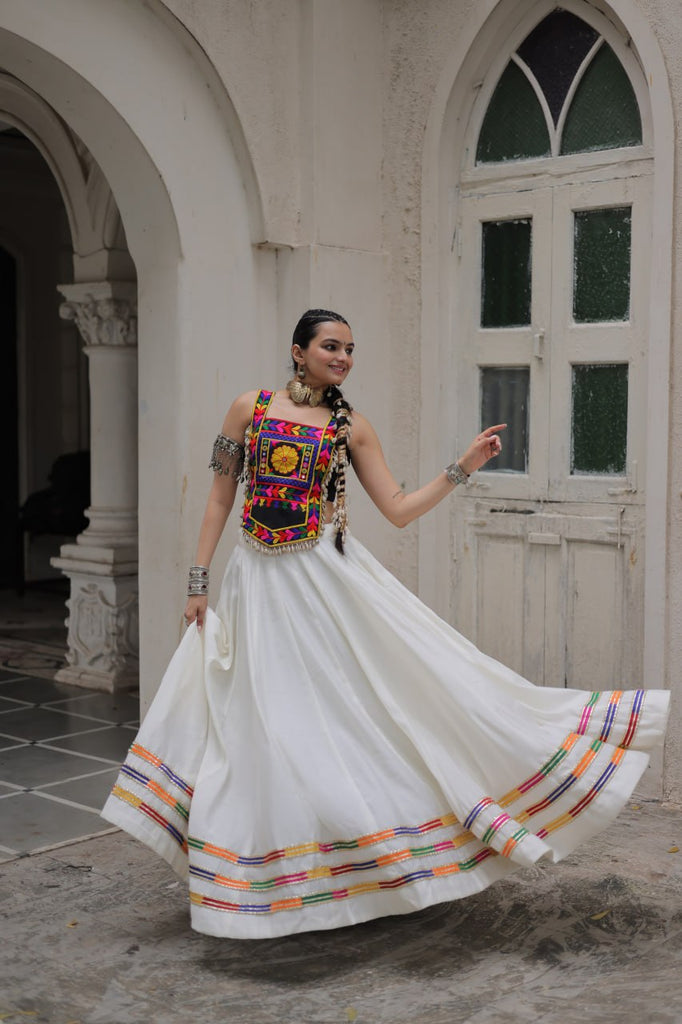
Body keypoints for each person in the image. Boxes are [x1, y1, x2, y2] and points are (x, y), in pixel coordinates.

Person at [102, 308, 669, 940]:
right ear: (298, 351)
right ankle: (276, 876)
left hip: (319, 584)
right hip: (254, 585)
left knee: (350, 712)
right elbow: (218, 497)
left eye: (349, 349)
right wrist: (197, 581)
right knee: (255, 723)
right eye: (330, 346)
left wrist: (463, 466)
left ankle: (360, 864)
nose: (342, 357)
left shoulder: (353, 428)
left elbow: (397, 509)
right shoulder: (247, 408)